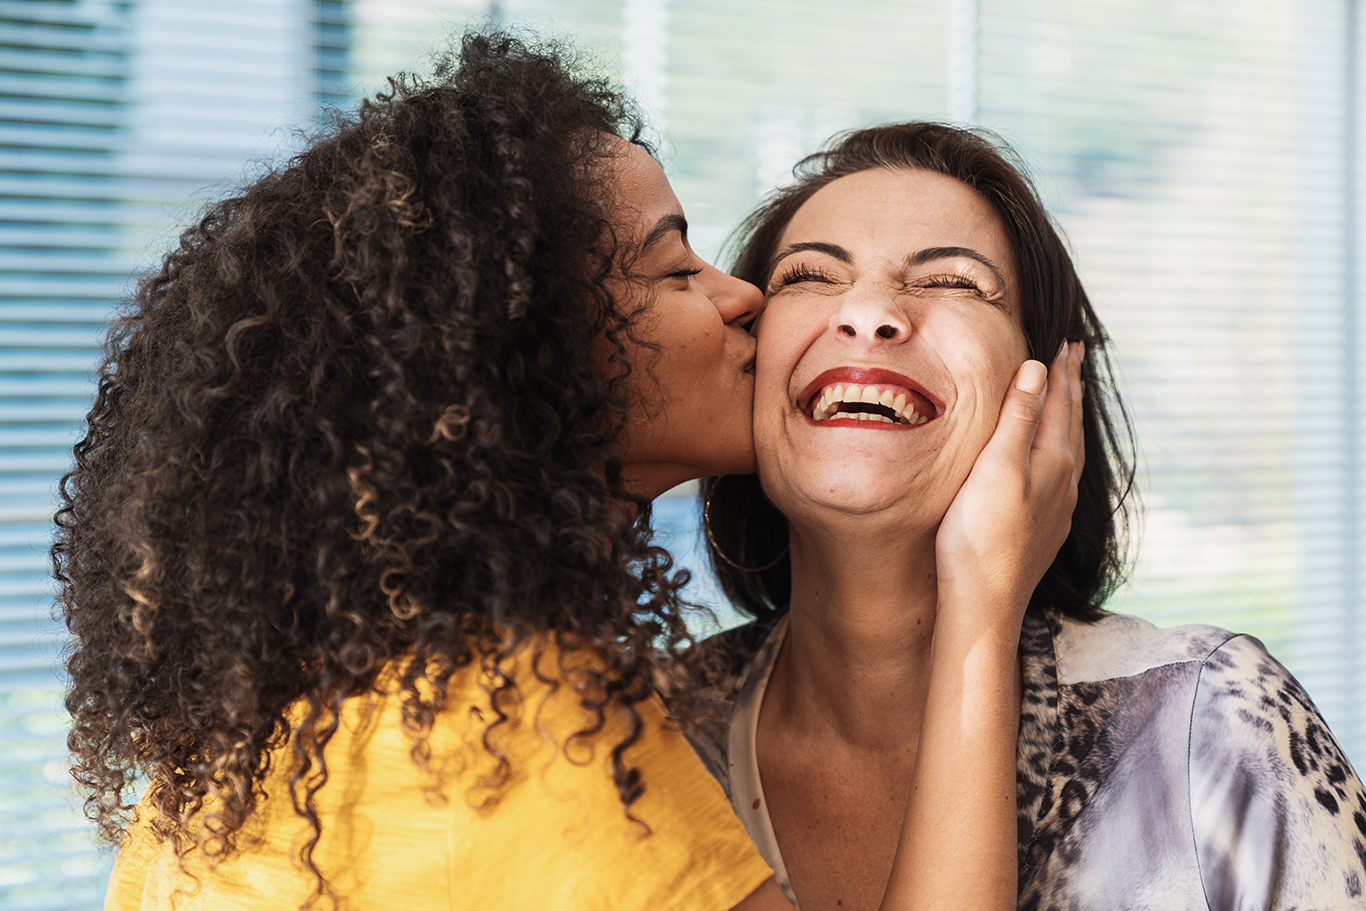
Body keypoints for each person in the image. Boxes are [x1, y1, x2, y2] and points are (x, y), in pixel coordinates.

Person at [54, 36, 1080, 911]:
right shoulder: (516, 726)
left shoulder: (287, 725)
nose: (742, 298)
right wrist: (981, 612)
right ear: (526, 356)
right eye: (676, 267)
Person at [691, 120, 1366, 911]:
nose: (869, 312)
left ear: (1050, 393)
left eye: (951, 282)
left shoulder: (1206, 720)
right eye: (808, 275)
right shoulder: (641, 736)